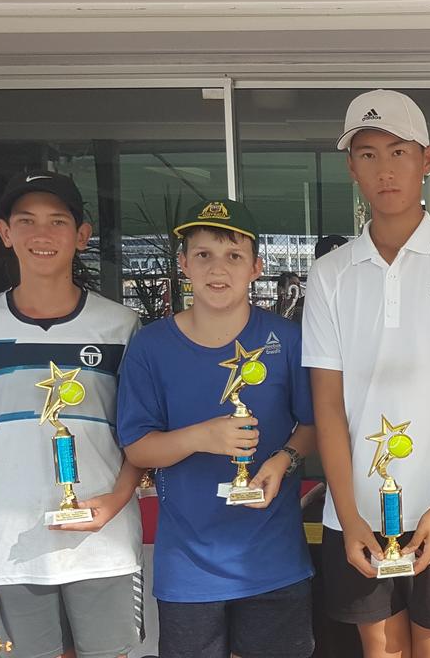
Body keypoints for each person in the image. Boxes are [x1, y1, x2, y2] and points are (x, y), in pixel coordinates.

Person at [304, 89, 430, 658]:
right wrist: (347, 517)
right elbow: (327, 404)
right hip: (360, 508)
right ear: (351, 167)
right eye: (367, 154)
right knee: (383, 653)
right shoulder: (330, 275)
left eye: (398, 151)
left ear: (427, 158)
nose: (384, 169)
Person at [0, 171, 144, 658]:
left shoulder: (122, 325)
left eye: (57, 221)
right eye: (26, 221)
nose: (41, 234)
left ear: (81, 236)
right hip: (15, 547)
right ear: (4, 233)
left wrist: (115, 502)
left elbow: (140, 435)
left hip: (104, 544)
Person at [117, 199, 317, 658]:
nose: (217, 268)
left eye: (233, 255)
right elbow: (138, 449)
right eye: (203, 254)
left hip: (273, 560)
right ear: (184, 264)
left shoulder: (286, 340)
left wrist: (284, 459)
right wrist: (200, 438)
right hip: (189, 569)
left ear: (256, 267)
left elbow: (312, 425)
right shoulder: (151, 347)